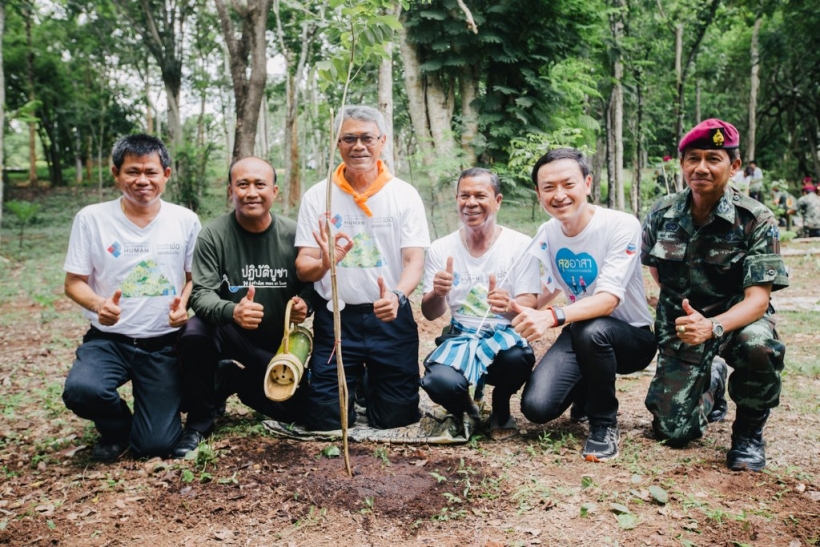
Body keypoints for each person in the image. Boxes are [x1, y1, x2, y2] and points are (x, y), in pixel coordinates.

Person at [641, 118, 789, 471]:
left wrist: (712, 326)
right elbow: (656, 270)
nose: (701, 168)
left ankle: (748, 434)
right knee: (673, 432)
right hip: (684, 327)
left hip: (737, 321)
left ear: (734, 166)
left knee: (759, 346)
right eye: (693, 158)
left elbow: (758, 300)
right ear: (682, 164)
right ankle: (712, 381)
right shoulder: (662, 213)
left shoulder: (755, 219)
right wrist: (689, 320)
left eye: (713, 159)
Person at [511, 148, 658, 462]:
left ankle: (603, 423)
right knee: (536, 408)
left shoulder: (621, 225)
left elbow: (608, 300)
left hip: (632, 339)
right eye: (549, 187)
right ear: (538, 194)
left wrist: (551, 317)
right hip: (581, 333)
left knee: (592, 329)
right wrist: (515, 306)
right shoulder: (548, 232)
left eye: (569, 184)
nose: (559, 195)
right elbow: (549, 288)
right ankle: (588, 390)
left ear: (587, 184)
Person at [62, 134, 201, 462]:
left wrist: (184, 305)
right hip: (108, 339)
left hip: (162, 343)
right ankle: (116, 429)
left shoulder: (185, 220)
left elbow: (194, 278)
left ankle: (210, 380)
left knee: (155, 445)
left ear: (166, 174)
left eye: (151, 172)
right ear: (116, 173)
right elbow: (73, 283)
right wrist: (99, 304)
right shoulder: (92, 219)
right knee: (82, 390)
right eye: (132, 172)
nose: (142, 180)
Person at [295, 105, 430, 431]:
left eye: (367, 138)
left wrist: (397, 295)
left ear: (382, 141)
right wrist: (325, 263)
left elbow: (414, 260)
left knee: (396, 418)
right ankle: (351, 382)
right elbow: (303, 267)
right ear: (338, 144)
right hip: (337, 319)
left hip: (391, 316)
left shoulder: (404, 195)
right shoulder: (318, 196)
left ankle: (368, 381)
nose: (358, 146)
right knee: (327, 420)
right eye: (349, 138)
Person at [172, 157, 313, 457]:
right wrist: (232, 311)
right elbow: (201, 293)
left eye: (260, 184)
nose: (251, 192)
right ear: (230, 191)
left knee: (305, 410)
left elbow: (311, 283)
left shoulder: (294, 234)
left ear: (274, 191)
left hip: (276, 342)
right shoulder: (213, 235)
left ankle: (233, 379)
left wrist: (305, 304)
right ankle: (199, 421)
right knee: (194, 332)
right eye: (242, 185)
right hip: (227, 331)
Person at [419, 168, 540, 440]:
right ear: (456, 200)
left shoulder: (520, 245)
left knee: (518, 358)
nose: (471, 203)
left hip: (504, 338)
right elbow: (430, 313)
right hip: (460, 337)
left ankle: (500, 406)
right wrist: (438, 292)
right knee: (437, 382)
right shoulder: (441, 248)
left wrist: (508, 306)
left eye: (480, 195)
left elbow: (530, 302)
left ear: (497, 201)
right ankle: (466, 408)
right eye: (464, 196)